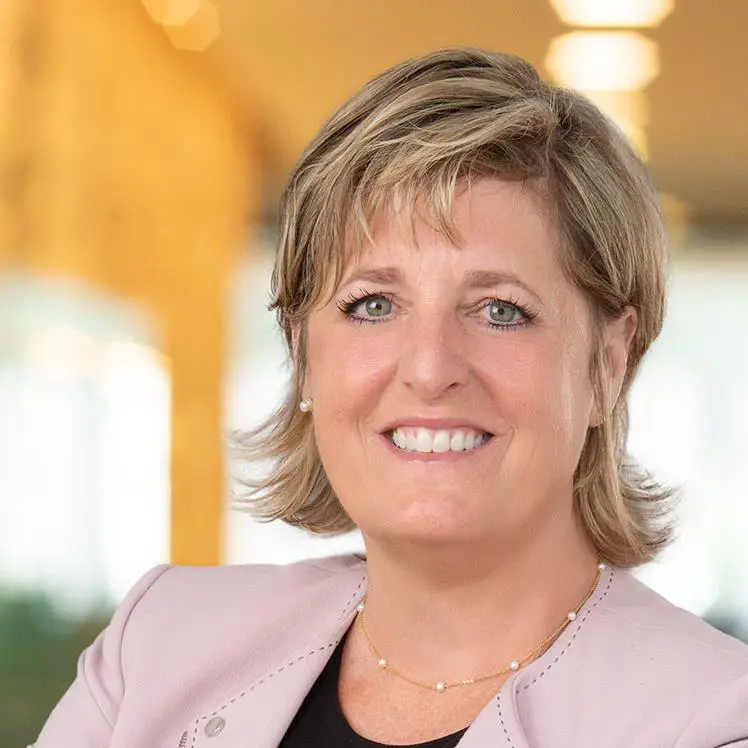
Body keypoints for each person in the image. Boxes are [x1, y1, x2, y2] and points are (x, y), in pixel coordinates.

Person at [35, 48, 748, 748]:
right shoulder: (156, 648)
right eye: (373, 304)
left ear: (608, 363)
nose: (430, 369)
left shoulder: (713, 720)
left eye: (501, 310)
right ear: (302, 355)